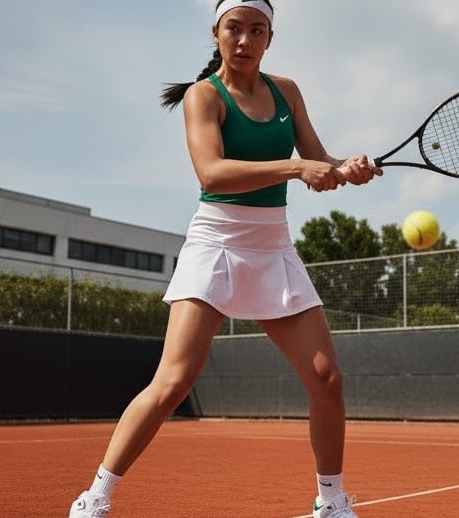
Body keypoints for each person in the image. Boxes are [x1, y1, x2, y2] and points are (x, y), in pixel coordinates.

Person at [67, 2, 381, 518]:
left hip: (272, 246)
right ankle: (94, 497)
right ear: (215, 33)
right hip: (216, 244)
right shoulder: (203, 96)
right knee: (173, 382)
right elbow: (211, 173)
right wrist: (297, 167)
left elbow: (318, 160)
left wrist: (346, 168)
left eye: (256, 31)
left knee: (327, 378)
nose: (244, 40)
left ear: (269, 39)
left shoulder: (289, 91)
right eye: (234, 29)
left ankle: (331, 502)